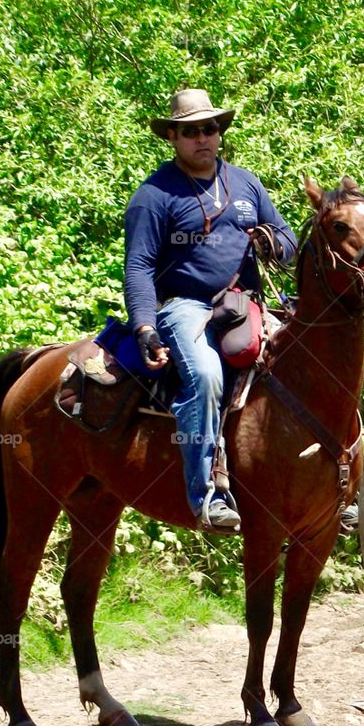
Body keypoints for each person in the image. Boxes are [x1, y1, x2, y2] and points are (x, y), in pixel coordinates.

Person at [124, 88, 297, 532]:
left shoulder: (245, 183)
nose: (202, 138)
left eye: (209, 128)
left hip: (249, 304)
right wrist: (145, 325)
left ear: (219, 132)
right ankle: (209, 495)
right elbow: (139, 265)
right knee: (204, 374)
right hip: (189, 306)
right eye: (190, 131)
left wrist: (272, 242)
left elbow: (289, 243)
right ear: (173, 138)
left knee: (313, 359)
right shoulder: (154, 195)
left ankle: (333, 486)